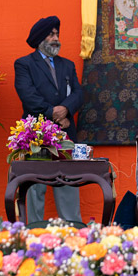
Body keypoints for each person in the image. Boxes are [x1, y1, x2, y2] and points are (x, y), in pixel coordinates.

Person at [14, 16, 84, 224]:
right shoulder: (24, 64)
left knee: (68, 183)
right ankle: (35, 231)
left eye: (57, 34)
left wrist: (67, 111)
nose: (56, 39)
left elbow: (78, 94)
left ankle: (74, 231)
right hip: (35, 135)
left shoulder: (68, 65)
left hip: (65, 132)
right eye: (51, 34)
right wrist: (55, 114)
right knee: (36, 186)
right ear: (39, 39)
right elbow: (28, 95)